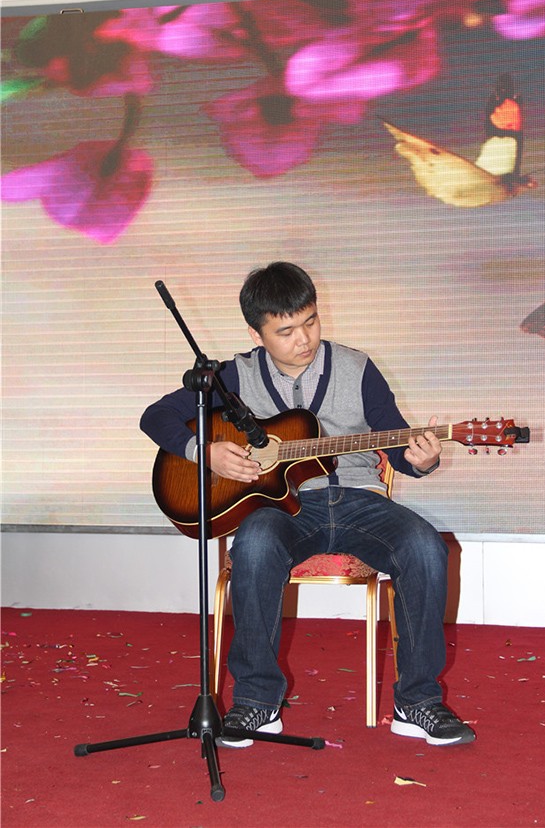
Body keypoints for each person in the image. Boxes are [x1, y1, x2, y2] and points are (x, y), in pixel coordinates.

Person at [140, 262, 475, 748]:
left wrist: (421, 460)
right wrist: (204, 452)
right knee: (255, 543)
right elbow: (156, 416)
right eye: (286, 331)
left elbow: (400, 446)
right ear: (256, 333)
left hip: (360, 500)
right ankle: (257, 701)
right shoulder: (233, 376)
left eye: (311, 321)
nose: (304, 339)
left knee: (425, 547)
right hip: (283, 509)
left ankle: (417, 702)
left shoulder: (358, 368)